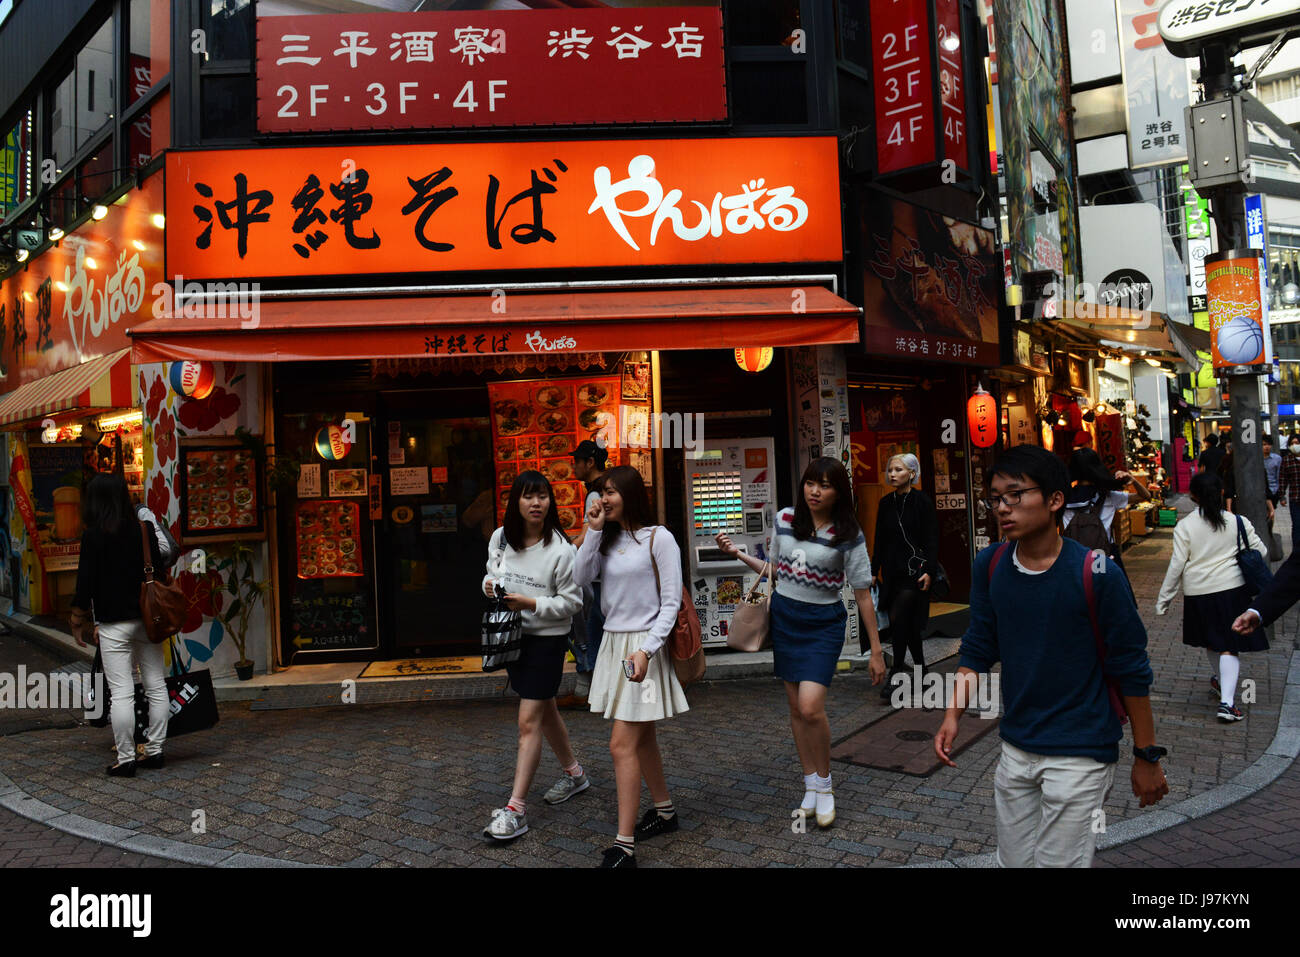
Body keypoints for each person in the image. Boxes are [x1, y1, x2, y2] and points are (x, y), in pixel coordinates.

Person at [933, 445, 1168, 868]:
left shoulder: (1097, 573)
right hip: (1017, 748)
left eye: (1016, 495)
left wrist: (1147, 754)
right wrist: (953, 714)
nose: (1002, 508)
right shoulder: (990, 565)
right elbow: (979, 645)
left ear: (1055, 500)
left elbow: (1131, 668)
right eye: (995, 498)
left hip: (1081, 751)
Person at [716, 457, 886, 828]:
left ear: (838, 492)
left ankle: (824, 785)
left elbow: (862, 594)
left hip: (823, 624)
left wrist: (875, 651)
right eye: (811, 482)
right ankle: (809, 783)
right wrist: (738, 554)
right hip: (786, 620)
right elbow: (775, 571)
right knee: (795, 709)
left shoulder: (849, 535)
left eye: (824, 485)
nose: (815, 490)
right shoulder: (786, 520)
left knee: (811, 707)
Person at [574, 465, 689, 868]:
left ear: (630, 493)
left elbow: (671, 601)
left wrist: (647, 650)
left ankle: (624, 847)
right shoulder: (605, 539)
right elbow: (579, 578)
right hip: (614, 644)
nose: (603, 498)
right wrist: (591, 530)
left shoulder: (659, 538)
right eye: (600, 492)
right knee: (642, 739)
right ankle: (665, 811)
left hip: (643, 649)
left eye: (610, 491)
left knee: (621, 744)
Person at [480, 471, 588, 841]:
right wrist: (490, 586)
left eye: (542, 496)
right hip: (512, 638)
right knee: (546, 711)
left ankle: (516, 809)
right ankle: (575, 775)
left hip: (547, 642)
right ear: (516, 502)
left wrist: (531, 603)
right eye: (528, 496)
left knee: (529, 720)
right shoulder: (501, 538)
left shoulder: (561, 548)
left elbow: (573, 603)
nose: (536, 503)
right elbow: (490, 575)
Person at [69, 474, 168, 777]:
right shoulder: (143, 529)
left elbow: (84, 584)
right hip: (147, 619)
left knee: (122, 692)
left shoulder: (93, 536)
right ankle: (155, 751)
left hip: (113, 625)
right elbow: (160, 573)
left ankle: (126, 759)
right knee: (155, 685)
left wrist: (77, 619)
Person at [1156, 472, 1267, 722]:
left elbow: (1176, 565)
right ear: (1221, 493)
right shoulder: (1238, 522)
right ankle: (1227, 703)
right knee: (1229, 645)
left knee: (1212, 641)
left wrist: (1164, 599)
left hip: (1198, 594)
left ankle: (1221, 683)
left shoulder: (1185, 526)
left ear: (1192, 495)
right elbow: (1262, 551)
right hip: (1232, 590)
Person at [871, 453, 939, 701]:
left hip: (916, 573)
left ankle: (895, 673)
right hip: (892, 572)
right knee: (906, 626)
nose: (892, 474)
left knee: (899, 619)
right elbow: (879, 539)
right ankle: (922, 672)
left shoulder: (922, 502)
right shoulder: (885, 503)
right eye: (890, 470)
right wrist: (872, 570)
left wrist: (930, 571)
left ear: (912, 473)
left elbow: (932, 539)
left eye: (898, 470)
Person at [567, 439, 608, 706]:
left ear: (589, 463)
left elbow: (586, 536)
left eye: (577, 461)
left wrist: (563, 549)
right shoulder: (609, 486)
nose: (573, 466)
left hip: (596, 573)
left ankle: (588, 686)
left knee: (587, 628)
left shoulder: (594, 494)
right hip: (609, 570)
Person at [1062, 447, 1150, 566]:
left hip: (1075, 556)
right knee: (1103, 582)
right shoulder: (1109, 496)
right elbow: (1144, 496)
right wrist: (1132, 479)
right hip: (1102, 555)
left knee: (1080, 583)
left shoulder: (1063, 499)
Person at [1276, 434, 1300, 552]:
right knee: (1297, 526)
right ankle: (1296, 552)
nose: (1295, 445)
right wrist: (1282, 496)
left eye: (1297, 443)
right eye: (1292, 443)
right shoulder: (1287, 460)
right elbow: (1283, 479)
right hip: (1295, 498)